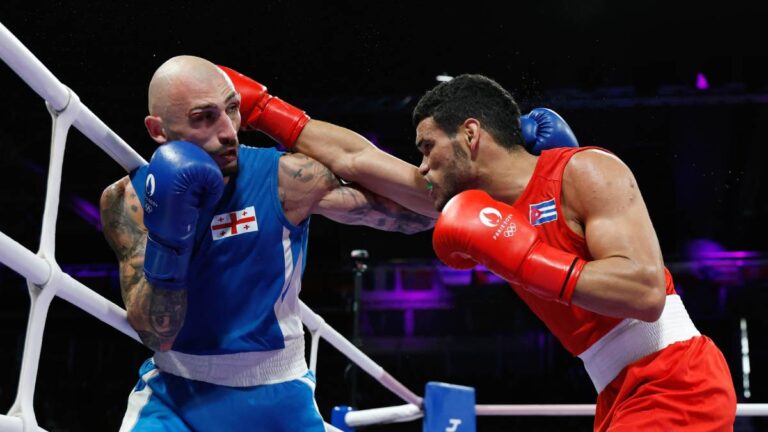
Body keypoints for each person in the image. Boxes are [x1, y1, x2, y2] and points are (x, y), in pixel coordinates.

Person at [222, 68, 737, 430]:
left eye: (427, 147)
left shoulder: (586, 170)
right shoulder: (465, 203)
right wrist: (262, 109)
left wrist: (525, 254)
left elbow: (645, 291)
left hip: (675, 379)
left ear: (470, 134)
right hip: (617, 391)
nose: (420, 166)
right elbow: (355, 157)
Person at [99, 55, 435, 432]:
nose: (229, 131)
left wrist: (276, 115)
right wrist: (170, 235)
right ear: (158, 130)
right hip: (175, 397)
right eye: (204, 117)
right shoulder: (128, 202)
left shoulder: (287, 179)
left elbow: (420, 211)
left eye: (232, 110)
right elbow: (157, 334)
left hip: (281, 396)